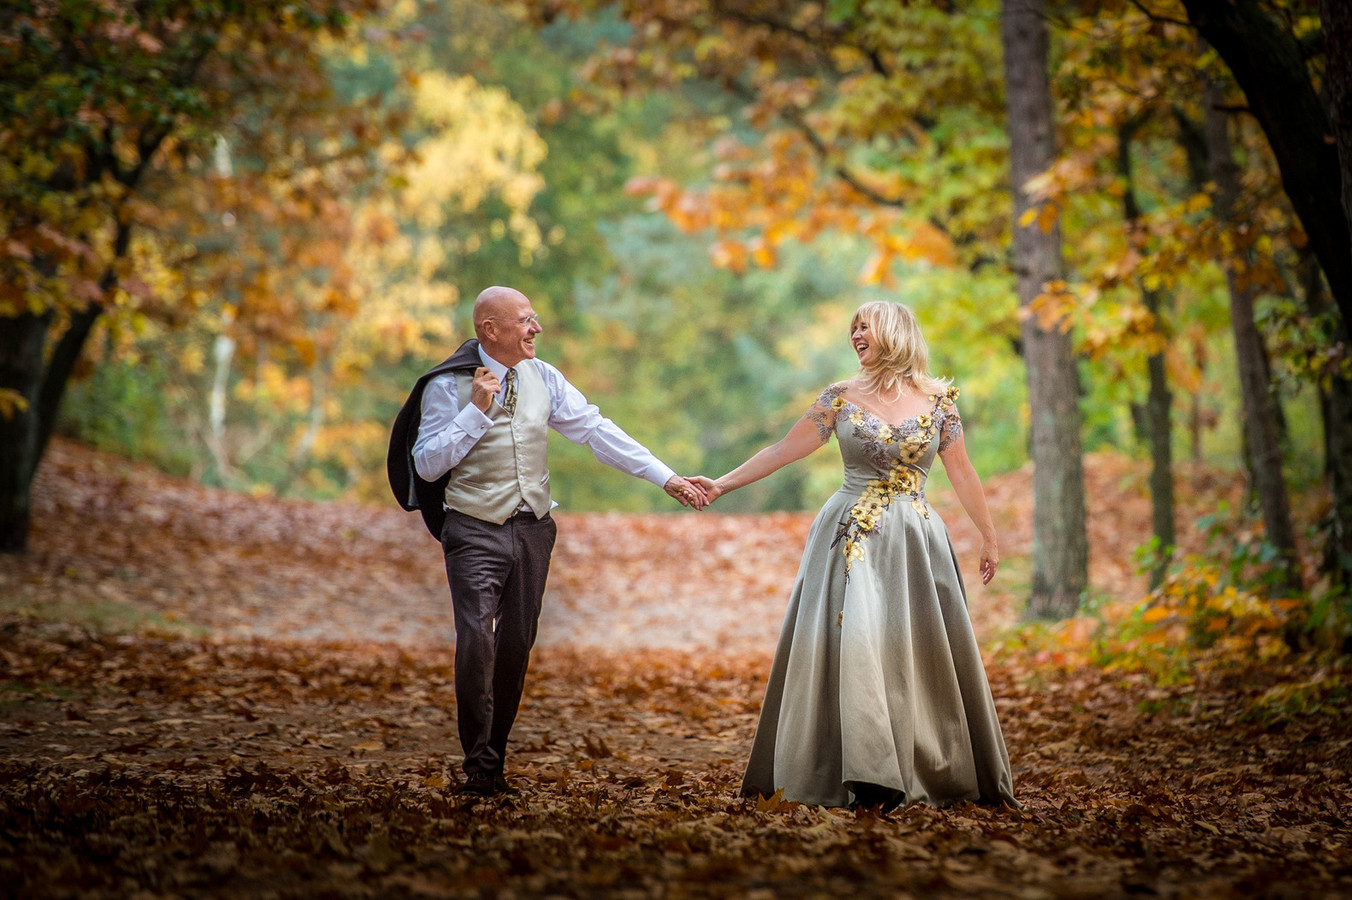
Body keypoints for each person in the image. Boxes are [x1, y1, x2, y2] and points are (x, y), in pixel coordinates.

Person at [690, 300, 1017, 811]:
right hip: (850, 537)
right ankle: (863, 773)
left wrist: (989, 536)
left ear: (895, 333)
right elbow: (782, 450)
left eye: (866, 326)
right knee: (857, 643)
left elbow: (963, 472)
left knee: (910, 650)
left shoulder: (939, 402)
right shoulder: (839, 398)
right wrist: (721, 484)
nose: (857, 335)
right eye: (854, 328)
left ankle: (920, 766)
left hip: (913, 540)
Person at [388, 285, 707, 798]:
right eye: (525, 320)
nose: (536, 328)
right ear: (490, 329)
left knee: (516, 644)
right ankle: (480, 769)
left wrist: (664, 477)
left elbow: (595, 430)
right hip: (473, 528)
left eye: (534, 318)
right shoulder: (447, 386)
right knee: (477, 641)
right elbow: (425, 464)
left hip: (534, 528)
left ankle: (495, 756)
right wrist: (476, 411)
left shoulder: (545, 377)